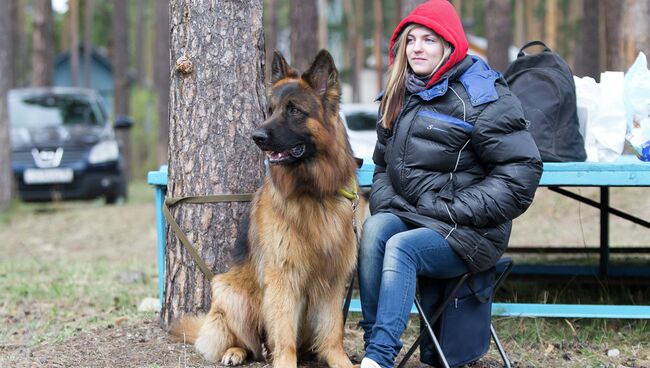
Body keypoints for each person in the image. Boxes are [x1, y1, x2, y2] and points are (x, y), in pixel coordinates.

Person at [356, 1, 543, 367]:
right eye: (411, 40)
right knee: (376, 228)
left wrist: (451, 208)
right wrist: (391, 205)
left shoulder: (481, 94)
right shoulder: (400, 92)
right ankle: (373, 341)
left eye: (429, 40)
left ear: (449, 45)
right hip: (418, 216)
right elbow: (382, 168)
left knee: (402, 248)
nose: (418, 48)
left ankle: (378, 358)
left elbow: (521, 172)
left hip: (469, 230)